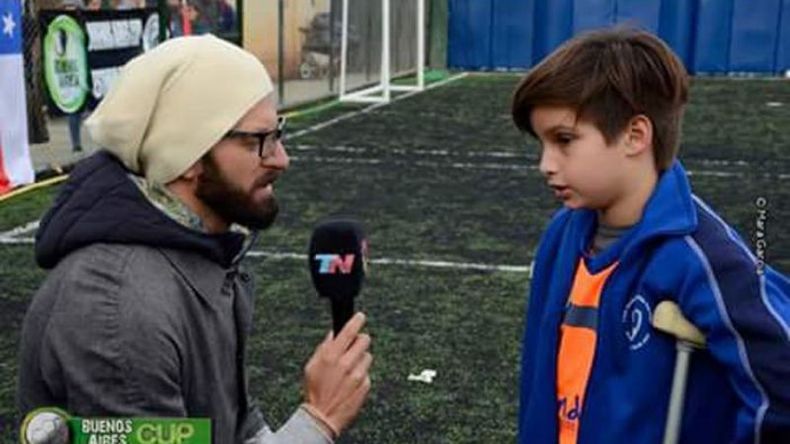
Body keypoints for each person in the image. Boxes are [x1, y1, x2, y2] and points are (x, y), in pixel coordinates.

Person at [17, 35, 372, 443]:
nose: (281, 158)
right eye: (260, 140)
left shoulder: (203, 249)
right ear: (187, 156)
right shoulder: (117, 314)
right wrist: (317, 422)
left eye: (278, 133)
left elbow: (229, 423)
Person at [511, 28, 790, 444]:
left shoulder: (701, 255)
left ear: (635, 136)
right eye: (542, 143)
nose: (546, 164)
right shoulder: (562, 234)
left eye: (564, 140)